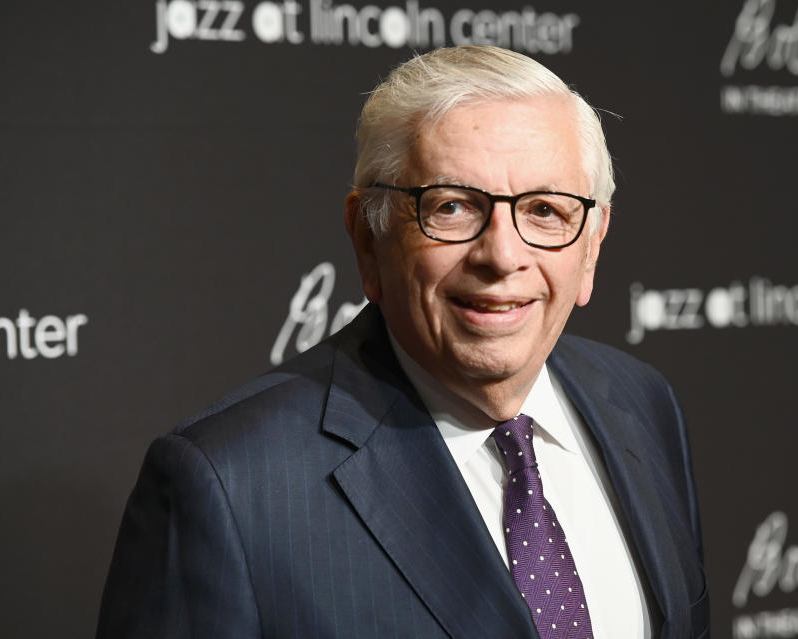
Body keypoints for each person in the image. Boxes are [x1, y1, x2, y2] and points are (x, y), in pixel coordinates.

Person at [97, 45, 709, 639]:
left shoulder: (643, 404)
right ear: (368, 238)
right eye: (451, 207)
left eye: (545, 210)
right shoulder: (228, 487)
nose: (502, 255)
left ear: (592, 245)